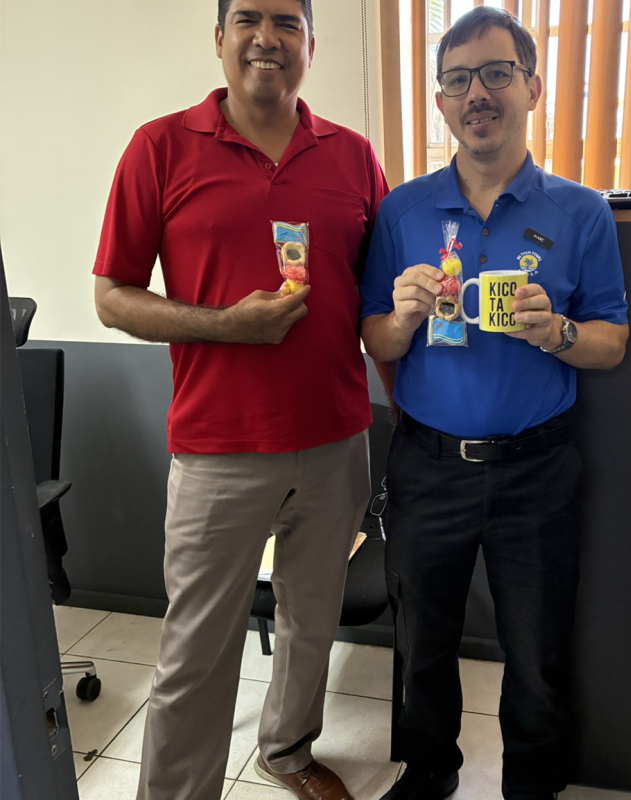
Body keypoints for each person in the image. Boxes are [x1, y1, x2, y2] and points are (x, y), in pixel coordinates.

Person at [93, 1, 387, 799]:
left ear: (311, 45)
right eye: (248, 19)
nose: (268, 37)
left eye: (287, 22)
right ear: (219, 39)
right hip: (217, 448)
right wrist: (225, 325)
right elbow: (112, 297)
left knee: (310, 622)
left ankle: (287, 752)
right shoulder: (159, 147)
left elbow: (381, 299)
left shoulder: (354, 157)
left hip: (336, 441)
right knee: (197, 650)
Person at [360, 8, 629, 800]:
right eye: (457, 79)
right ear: (440, 102)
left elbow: (611, 341)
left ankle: (533, 786)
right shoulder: (403, 211)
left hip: (537, 470)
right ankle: (430, 772)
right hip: (428, 466)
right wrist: (402, 318)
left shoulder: (580, 213)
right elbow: (374, 337)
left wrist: (558, 332)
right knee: (422, 646)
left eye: (495, 73)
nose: (476, 92)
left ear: (532, 87)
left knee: (537, 652)